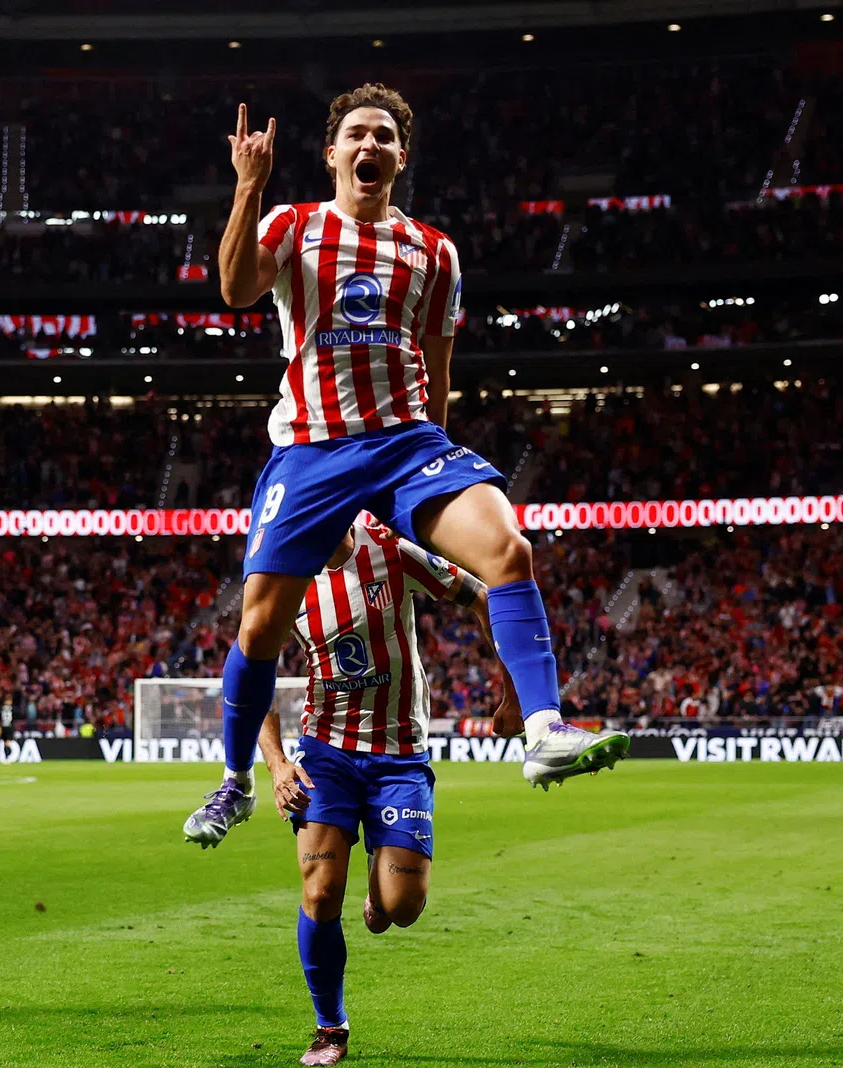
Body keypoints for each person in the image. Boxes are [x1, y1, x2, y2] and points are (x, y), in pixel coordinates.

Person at [183, 83, 628, 848]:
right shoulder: (293, 226)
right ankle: (235, 782)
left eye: (385, 137)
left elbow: (439, 361)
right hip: (314, 448)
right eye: (357, 134)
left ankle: (546, 730)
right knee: (259, 628)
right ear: (331, 154)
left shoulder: (434, 251)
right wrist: (247, 188)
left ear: (400, 157)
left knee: (508, 551)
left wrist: (434, 480)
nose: (370, 146)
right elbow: (232, 290)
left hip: (408, 442)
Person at [257, 523, 540, 1065]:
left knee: (401, 909)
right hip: (325, 755)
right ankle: (329, 1027)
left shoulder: (388, 550)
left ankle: (379, 880)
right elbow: (253, 675)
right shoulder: (284, 576)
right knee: (319, 892)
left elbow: (481, 595)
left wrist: (512, 692)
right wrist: (276, 765)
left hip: (399, 755)